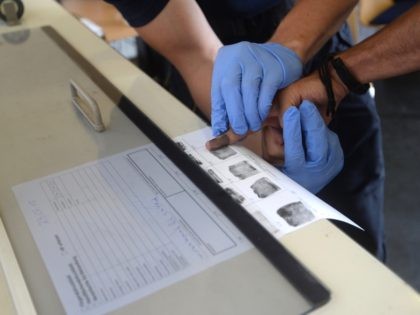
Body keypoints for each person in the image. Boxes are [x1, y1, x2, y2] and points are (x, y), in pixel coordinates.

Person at [104, 0, 385, 260]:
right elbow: (198, 54)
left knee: (354, 243)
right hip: (209, 56)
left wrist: (304, 51)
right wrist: (259, 142)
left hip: (315, 24)